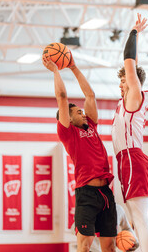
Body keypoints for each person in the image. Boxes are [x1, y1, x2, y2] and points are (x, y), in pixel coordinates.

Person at [43, 54, 117, 252]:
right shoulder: (68, 133)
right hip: (87, 194)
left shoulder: (91, 124)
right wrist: (56, 71)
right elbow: (62, 97)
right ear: (68, 118)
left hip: (106, 193)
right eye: (78, 112)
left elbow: (90, 95)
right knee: (84, 246)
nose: (82, 113)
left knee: (109, 247)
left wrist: (74, 67)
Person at [111, 13, 148, 251]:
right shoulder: (126, 101)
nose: (121, 84)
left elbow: (130, 63)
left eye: (124, 81)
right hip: (127, 160)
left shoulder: (134, 95)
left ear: (132, 82)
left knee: (140, 217)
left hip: (133, 158)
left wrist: (134, 33)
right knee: (136, 215)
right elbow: (132, 67)